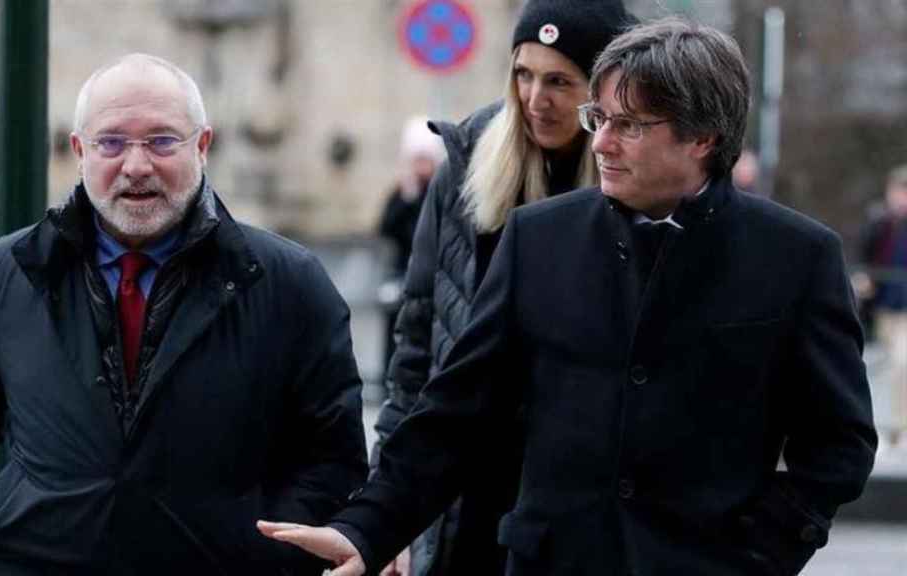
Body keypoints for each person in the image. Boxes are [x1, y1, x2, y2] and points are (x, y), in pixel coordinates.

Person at [259, 18, 877, 576]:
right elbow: (454, 413)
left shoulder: (797, 258)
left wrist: (763, 551)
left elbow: (840, 443)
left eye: (629, 126)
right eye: (599, 119)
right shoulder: (538, 238)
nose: (602, 143)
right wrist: (366, 529)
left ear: (703, 139)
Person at [0, 53, 367, 575]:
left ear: (203, 145)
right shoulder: (13, 271)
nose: (136, 166)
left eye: (162, 141)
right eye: (111, 142)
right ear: (79, 151)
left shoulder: (288, 282)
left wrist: (270, 550)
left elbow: (333, 452)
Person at [370, 1, 635, 574]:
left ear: (607, 90)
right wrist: (386, 514)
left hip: (580, 513)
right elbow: (417, 355)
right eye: (523, 73)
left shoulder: (636, 186)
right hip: (466, 499)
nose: (536, 98)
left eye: (561, 81)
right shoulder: (466, 172)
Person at [376, 116, 444, 374]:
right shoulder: (403, 193)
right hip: (401, 275)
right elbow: (386, 229)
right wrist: (406, 197)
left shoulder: (439, 191)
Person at [856, 164, 907, 452]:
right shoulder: (881, 224)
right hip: (885, 308)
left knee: (902, 363)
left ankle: (898, 430)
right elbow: (865, 257)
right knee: (889, 366)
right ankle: (892, 428)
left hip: (904, 310)